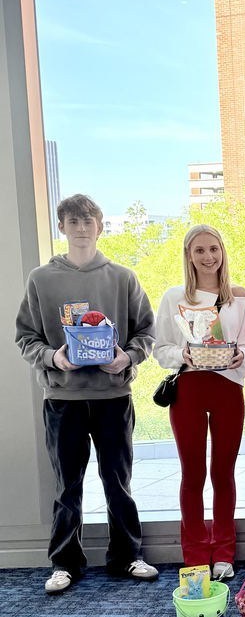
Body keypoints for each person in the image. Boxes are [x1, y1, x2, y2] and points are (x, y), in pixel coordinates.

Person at [15, 193, 157, 594]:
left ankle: (127, 556)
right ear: (62, 227)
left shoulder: (123, 277)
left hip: (114, 398)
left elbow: (146, 331)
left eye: (87, 221)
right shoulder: (41, 279)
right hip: (63, 401)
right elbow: (25, 337)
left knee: (119, 481)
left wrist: (126, 359)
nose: (80, 229)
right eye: (73, 222)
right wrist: (54, 358)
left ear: (99, 226)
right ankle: (65, 563)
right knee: (67, 485)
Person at [154, 224, 245, 580]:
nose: (208, 256)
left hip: (228, 387)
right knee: (193, 473)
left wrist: (239, 356)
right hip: (189, 390)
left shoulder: (240, 296)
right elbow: (160, 348)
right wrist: (182, 353)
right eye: (200, 250)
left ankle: (224, 551)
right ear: (188, 255)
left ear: (223, 251)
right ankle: (196, 554)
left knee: (223, 472)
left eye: (214, 248)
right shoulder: (173, 297)